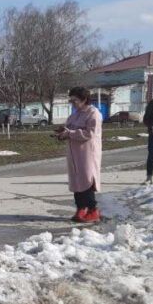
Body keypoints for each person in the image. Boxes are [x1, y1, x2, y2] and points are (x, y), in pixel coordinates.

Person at [55, 86, 103, 223]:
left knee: (87, 181)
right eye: (71, 101)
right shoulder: (75, 114)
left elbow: (89, 133)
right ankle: (81, 208)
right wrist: (62, 133)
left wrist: (70, 133)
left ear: (84, 99)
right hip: (74, 154)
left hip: (87, 153)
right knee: (76, 181)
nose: (73, 103)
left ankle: (93, 210)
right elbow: (69, 128)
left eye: (75, 100)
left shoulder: (93, 114)